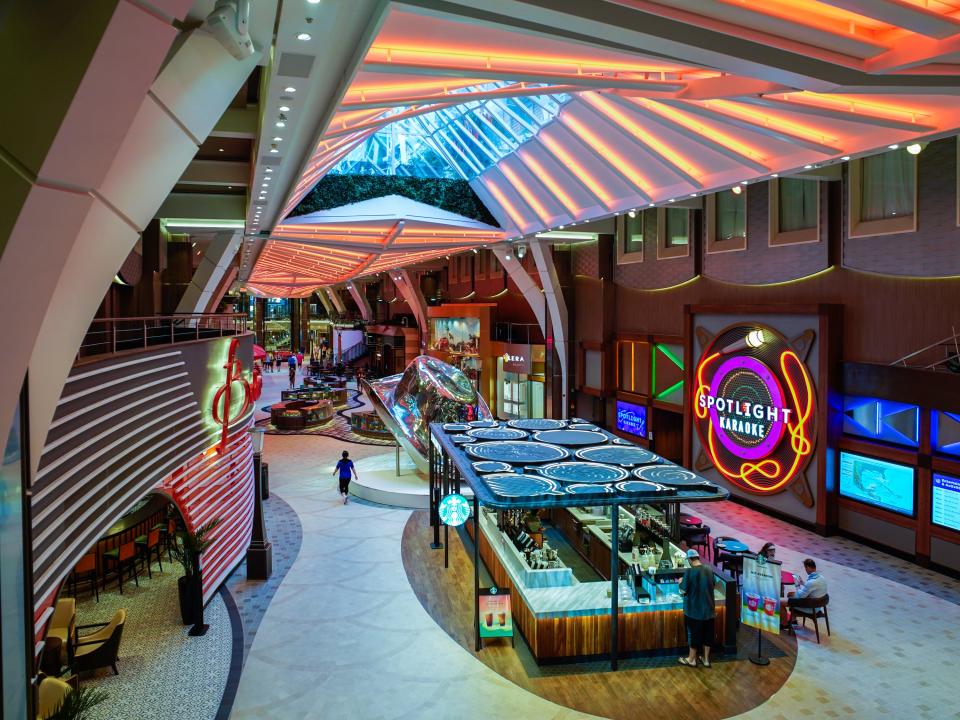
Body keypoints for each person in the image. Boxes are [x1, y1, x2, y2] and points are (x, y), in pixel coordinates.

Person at [679, 548, 716, 668]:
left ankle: (691, 660)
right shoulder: (709, 569)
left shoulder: (689, 572)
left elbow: (682, 590)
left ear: (690, 560)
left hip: (694, 611)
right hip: (709, 610)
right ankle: (705, 660)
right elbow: (713, 584)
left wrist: (680, 582)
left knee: (693, 635)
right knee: (707, 635)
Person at [783, 558, 827, 627]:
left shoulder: (811, 582)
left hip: (811, 608)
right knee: (792, 599)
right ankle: (793, 620)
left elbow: (800, 596)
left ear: (808, 567)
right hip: (819, 605)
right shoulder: (822, 578)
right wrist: (803, 583)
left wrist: (795, 589)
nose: (805, 570)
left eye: (805, 568)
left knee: (785, 600)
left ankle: (785, 624)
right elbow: (812, 588)